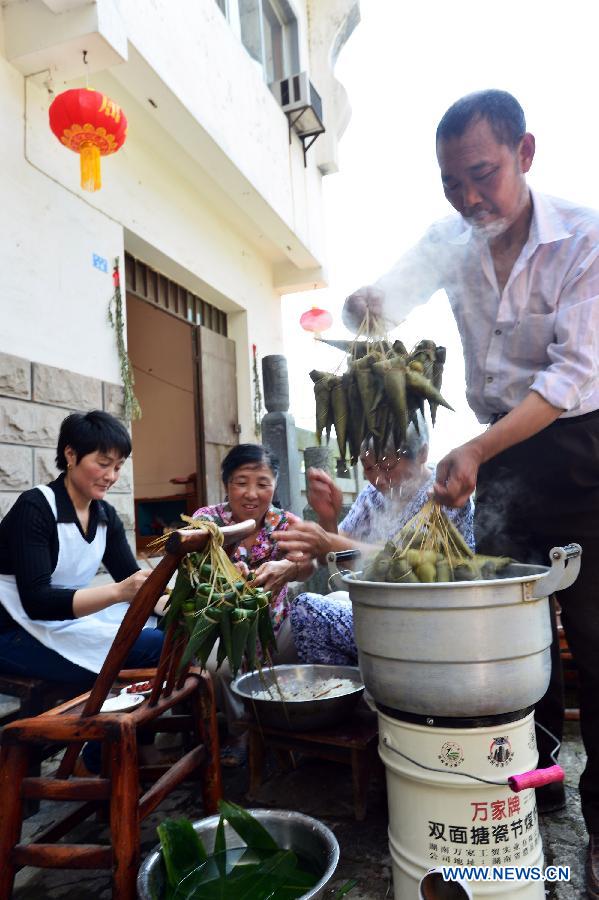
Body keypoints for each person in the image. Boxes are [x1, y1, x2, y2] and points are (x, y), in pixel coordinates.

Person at [342, 89, 599, 892]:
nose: (467, 198)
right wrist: (363, 307)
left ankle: (597, 834)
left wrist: (476, 450)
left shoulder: (583, 239)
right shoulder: (451, 238)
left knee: (594, 644)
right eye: (451, 182)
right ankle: (534, 791)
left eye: (480, 175)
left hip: (579, 449)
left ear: (524, 153)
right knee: (514, 644)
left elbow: (571, 377)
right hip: (497, 458)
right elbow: (390, 292)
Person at [0, 410, 164, 773]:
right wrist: (119, 592)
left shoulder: (103, 514)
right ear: (71, 455)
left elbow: (133, 578)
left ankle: (126, 748)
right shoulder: (35, 508)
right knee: (150, 649)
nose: (111, 476)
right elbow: (38, 601)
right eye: (103, 463)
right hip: (12, 631)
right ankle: (93, 760)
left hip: (55, 623)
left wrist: (173, 604)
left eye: (118, 466)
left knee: (165, 631)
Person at [280, 416, 473, 665]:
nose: (379, 479)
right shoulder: (374, 494)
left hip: (433, 623)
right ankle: (354, 689)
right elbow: (339, 556)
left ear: (423, 453)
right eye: (369, 468)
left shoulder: (446, 494)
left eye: (389, 466)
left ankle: (344, 694)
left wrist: (329, 542)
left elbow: (410, 569)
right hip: (386, 613)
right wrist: (327, 519)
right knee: (328, 603)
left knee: (306, 609)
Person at [192, 443, 315, 764]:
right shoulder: (207, 521)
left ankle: (286, 728)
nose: (251, 493)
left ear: (274, 484)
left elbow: (310, 566)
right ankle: (241, 731)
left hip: (275, 626)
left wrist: (288, 568)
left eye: (262, 483)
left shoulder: (285, 523)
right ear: (226, 484)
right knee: (217, 666)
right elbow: (194, 572)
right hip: (224, 628)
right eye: (241, 482)